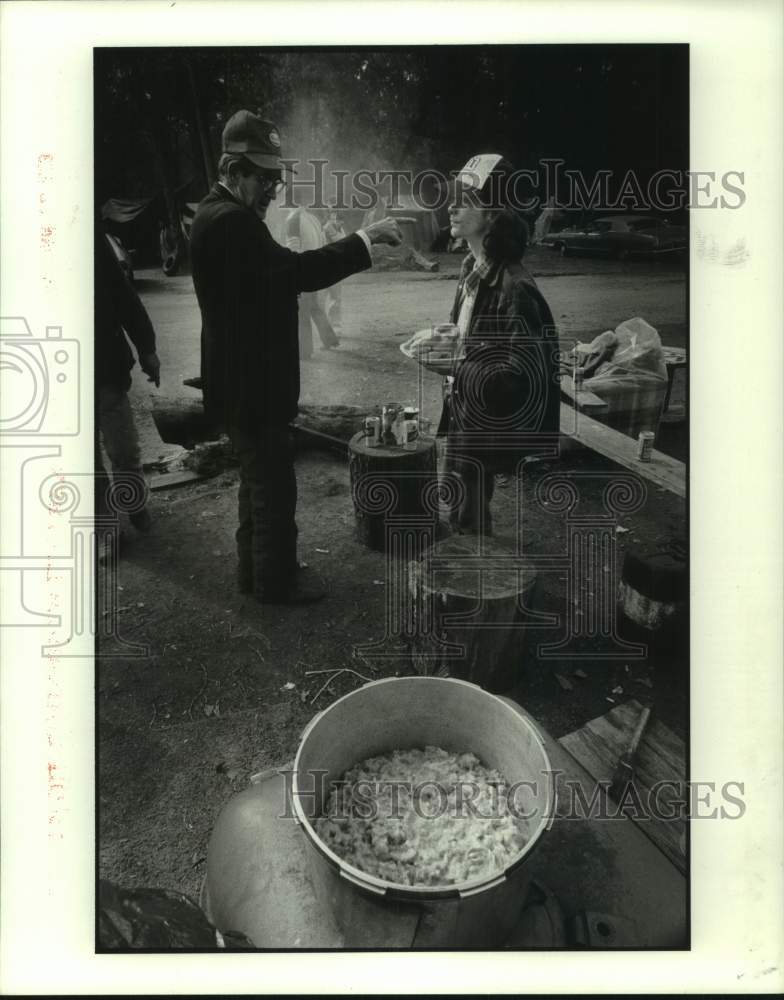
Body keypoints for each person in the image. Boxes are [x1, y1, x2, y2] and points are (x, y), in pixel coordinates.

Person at [189, 109, 401, 605]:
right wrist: (365, 240)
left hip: (243, 382)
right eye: (262, 178)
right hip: (254, 386)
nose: (271, 190)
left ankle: (256, 574)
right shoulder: (232, 223)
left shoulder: (217, 214)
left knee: (256, 487)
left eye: (275, 179)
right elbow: (300, 272)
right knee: (273, 492)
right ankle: (275, 585)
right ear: (232, 171)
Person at [437, 154, 560, 536]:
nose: (452, 206)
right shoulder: (469, 269)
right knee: (455, 498)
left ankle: (478, 583)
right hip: (464, 407)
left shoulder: (516, 288)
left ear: (493, 214)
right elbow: (474, 336)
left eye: (466, 199)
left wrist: (453, 365)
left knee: (470, 520)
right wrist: (452, 335)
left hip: (485, 423)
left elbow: (521, 377)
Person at [95, 220, 161, 541]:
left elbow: (121, 293)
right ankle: (107, 530)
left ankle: (134, 505)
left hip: (103, 364)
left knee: (122, 446)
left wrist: (146, 347)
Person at [283, 204, 340, 357]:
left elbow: (292, 247)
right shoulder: (312, 218)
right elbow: (322, 243)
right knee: (314, 307)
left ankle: (304, 350)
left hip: (301, 269)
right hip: (314, 267)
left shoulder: (293, 219)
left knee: (302, 312)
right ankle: (330, 340)